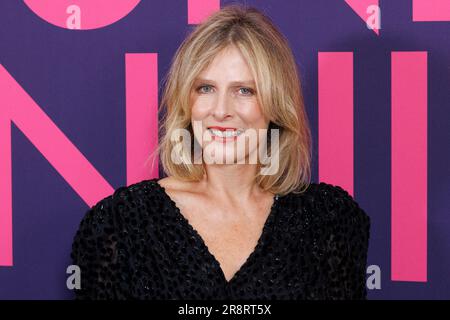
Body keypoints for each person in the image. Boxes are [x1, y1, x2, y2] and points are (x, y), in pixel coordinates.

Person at [71, 4, 370, 300]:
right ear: (185, 103)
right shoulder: (121, 223)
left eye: (244, 91)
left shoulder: (329, 220)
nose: (221, 110)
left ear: (276, 107)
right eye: (205, 88)